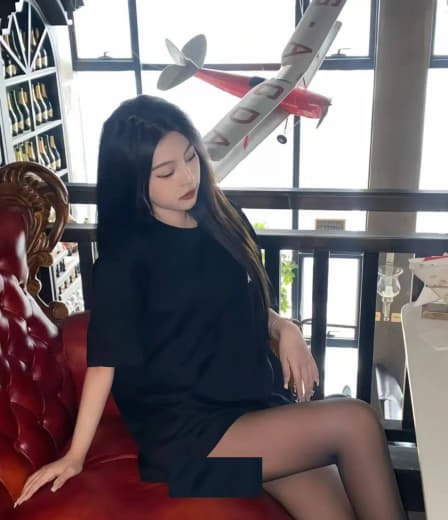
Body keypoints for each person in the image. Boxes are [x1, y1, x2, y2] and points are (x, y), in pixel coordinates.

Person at [14, 95, 407, 518]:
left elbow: (242, 305)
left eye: (190, 157)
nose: (188, 177)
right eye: (166, 172)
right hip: (189, 445)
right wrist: (75, 455)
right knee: (356, 422)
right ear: (134, 180)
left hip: (252, 412)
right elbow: (103, 364)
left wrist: (284, 328)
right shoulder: (125, 261)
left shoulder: (221, 217)